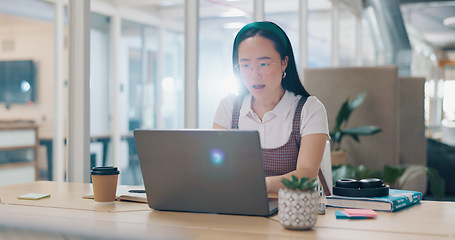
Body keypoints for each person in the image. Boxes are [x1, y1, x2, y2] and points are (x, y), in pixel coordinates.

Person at [212, 21, 330, 194]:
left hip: (293, 213)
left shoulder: (309, 109)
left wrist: (257, 185)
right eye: (245, 65)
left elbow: (306, 174)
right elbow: (215, 166)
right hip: (239, 209)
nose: (254, 75)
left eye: (264, 64)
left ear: (284, 63)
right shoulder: (228, 108)